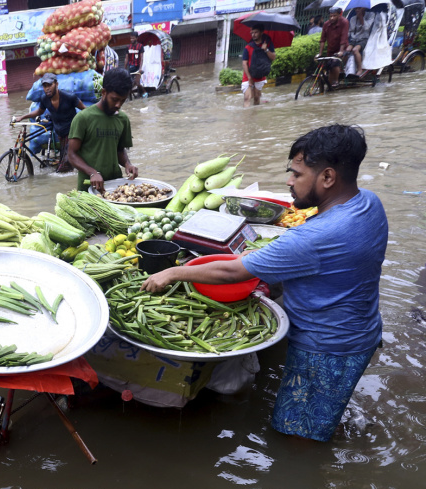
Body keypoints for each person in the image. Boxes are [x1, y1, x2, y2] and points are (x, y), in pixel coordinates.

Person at [141, 125, 387, 442]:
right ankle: (330, 429)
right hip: (362, 332)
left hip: (327, 350)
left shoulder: (312, 237)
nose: (288, 182)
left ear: (327, 178)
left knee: (295, 436)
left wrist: (172, 273)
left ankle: (305, 475)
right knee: (322, 413)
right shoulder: (369, 203)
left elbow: (233, 273)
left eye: (296, 174)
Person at [67, 68, 138, 193]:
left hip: (115, 187)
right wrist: (93, 173)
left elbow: (120, 150)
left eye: (122, 100)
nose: (118, 105)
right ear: (104, 92)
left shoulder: (123, 119)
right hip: (88, 188)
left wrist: (127, 164)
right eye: (114, 99)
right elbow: (72, 155)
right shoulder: (83, 118)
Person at [12, 73, 85, 173]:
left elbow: (85, 110)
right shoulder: (44, 99)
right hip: (60, 132)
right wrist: (22, 117)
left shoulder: (69, 97)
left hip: (72, 132)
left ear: (56, 84)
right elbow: (39, 112)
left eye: (50, 85)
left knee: (64, 167)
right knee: (64, 156)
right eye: (45, 86)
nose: (47, 88)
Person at [242, 26, 276, 107]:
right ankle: (246, 118)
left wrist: (266, 49)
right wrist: (249, 78)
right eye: (252, 33)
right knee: (247, 97)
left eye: (256, 32)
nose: (253, 35)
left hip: (260, 75)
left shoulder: (268, 44)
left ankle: (254, 116)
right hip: (248, 76)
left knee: (256, 98)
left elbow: (273, 57)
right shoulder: (248, 47)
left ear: (261, 32)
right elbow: (244, 63)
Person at [320, 7, 350, 87]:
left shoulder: (344, 22)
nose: (332, 18)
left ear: (339, 15)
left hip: (342, 49)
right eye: (330, 16)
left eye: (334, 16)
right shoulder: (326, 24)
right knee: (325, 65)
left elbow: (344, 38)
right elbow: (322, 40)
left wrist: (341, 51)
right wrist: (320, 53)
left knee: (334, 62)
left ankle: (336, 81)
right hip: (331, 50)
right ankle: (327, 84)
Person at [345, 7, 374, 73]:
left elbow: (366, 28)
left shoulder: (370, 15)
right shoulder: (353, 19)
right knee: (347, 50)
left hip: (364, 39)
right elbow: (350, 31)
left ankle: (359, 69)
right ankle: (345, 68)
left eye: (359, 8)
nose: (357, 10)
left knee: (355, 50)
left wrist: (361, 18)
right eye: (356, 9)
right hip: (354, 39)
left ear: (363, 8)